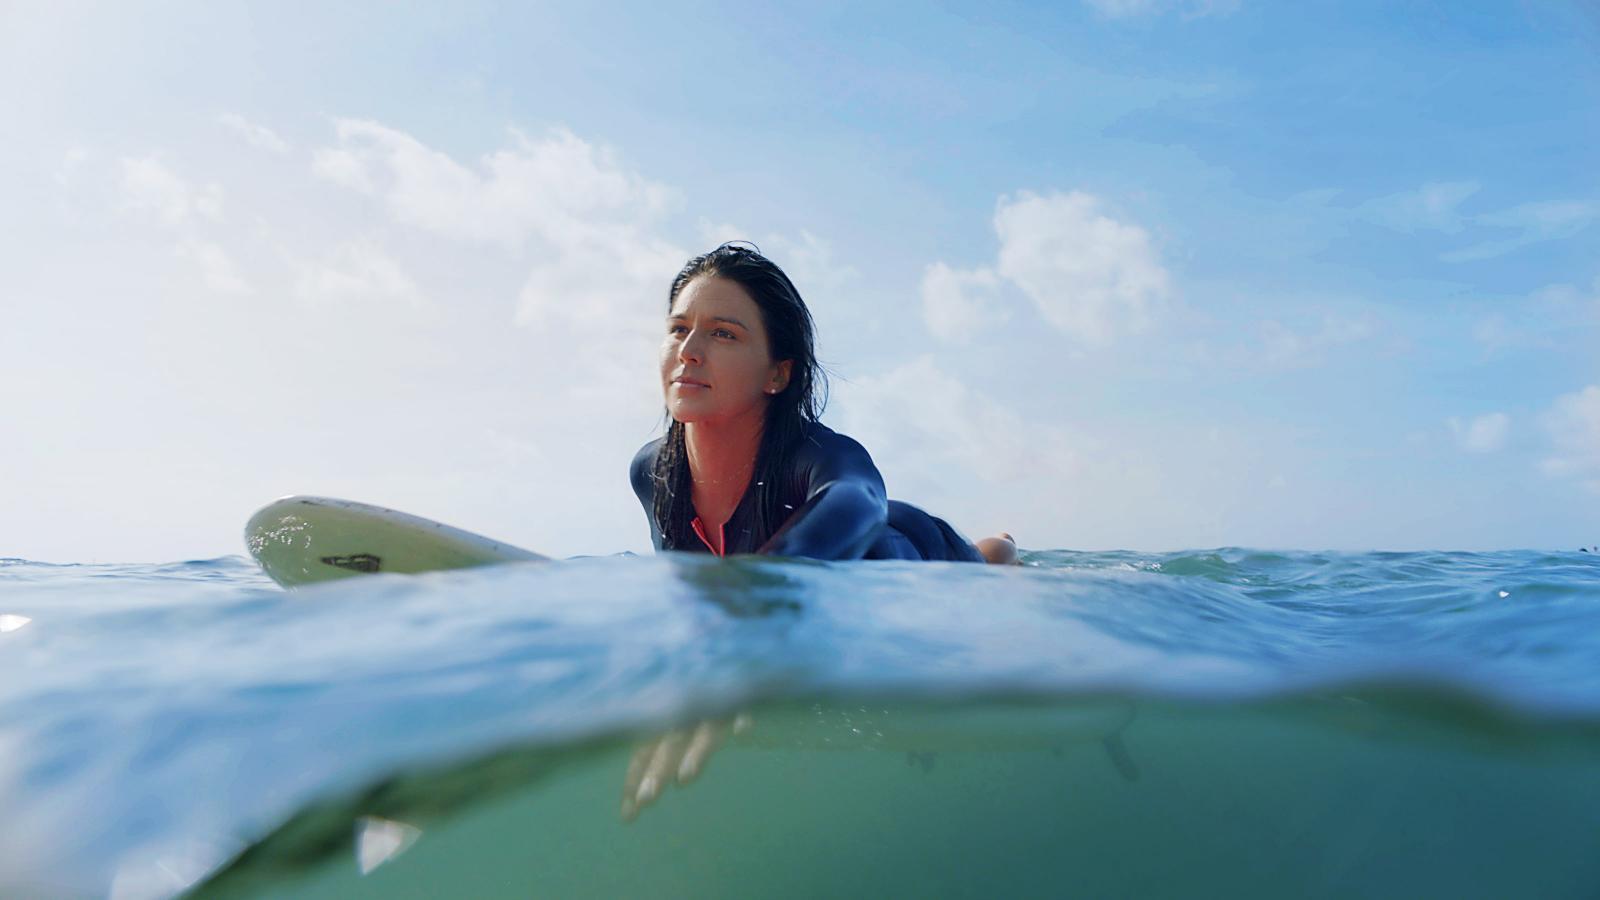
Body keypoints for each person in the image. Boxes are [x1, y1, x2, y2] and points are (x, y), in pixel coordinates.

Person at [629, 242, 1018, 566]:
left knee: (991, 560)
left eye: (723, 334)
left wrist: (761, 586)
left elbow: (860, 500)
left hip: (912, 546)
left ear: (777, 374)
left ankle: (999, 547)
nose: (689, 351)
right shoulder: (653, 472)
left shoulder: (818, 457)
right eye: (679, 329)